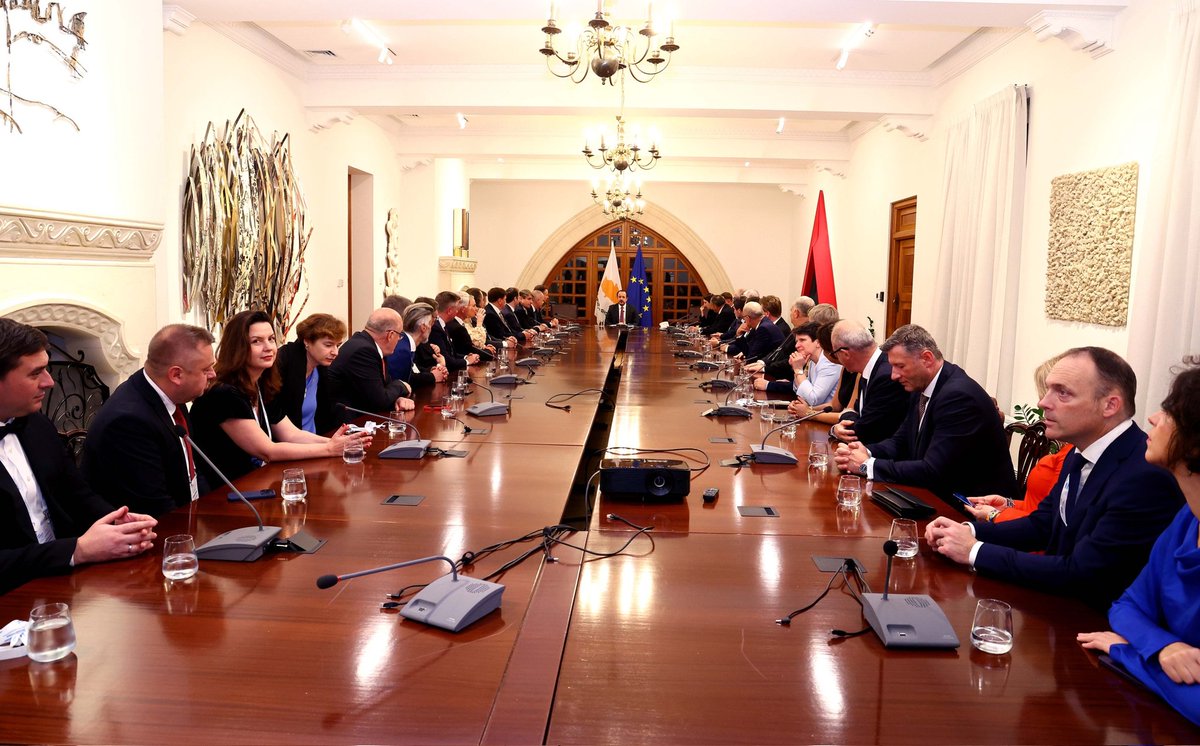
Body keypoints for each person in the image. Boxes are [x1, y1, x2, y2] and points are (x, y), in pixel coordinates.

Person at [925, 347, 1184, 608]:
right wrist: (967, 530)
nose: (1043, 403)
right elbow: (1042, 524)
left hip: (1095, 621)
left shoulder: (1144, 474)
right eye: (1048, 390)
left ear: (1110, 405)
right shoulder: (1080, 451)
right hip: (1058, 606)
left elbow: (1083, 573)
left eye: (1063, 392)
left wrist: (974, 550)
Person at [1078, 357, 1200, 725]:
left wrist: (1128, 650)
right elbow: (1127, 606)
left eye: (1169, 412)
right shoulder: (1186, 521)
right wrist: (1163, 646)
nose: (1153, 419)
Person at [0, 319, 158, 594]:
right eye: (35, 373)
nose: (49, 382)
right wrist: (78, 550)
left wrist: (119, 521)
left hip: (64, 584)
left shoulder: (36, 424)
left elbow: (76, 494)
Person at [834, 324, 1015, 499]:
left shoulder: (958, 397)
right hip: (935, 495)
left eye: (900, 366)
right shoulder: (922, 385)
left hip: (970, 508)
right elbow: (901, 441)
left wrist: (867, 465)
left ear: (927, 359)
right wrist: (863, 451)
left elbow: (933, 470)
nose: (893, 375)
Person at [190, 310, 371, 484]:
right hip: (222, 493)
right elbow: (268, 451)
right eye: (256, 341)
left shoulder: (261, 384)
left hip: (253, 482)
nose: (268, 347)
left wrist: (343, 443)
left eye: (271, 339)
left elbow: (291, 434)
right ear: (238, 347)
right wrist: (330, 448)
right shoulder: (224, 393)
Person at [83, 324, 216, 516]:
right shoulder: (128, 422)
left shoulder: (171, 395)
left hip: (189, 515)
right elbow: (154, 507)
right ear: (176, 375)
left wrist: (211, 514)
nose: (213, 375)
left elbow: (193, 470)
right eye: (206, 369)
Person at [964, 354, 1073, 523]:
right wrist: (1007, 504)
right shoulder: (1070, 449)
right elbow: (1038, 508)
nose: (1041, 403)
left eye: (1059, 394)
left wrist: (993, 515)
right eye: (1044, 393)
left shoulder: (1075, 458)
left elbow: (1046, 525)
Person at [827, 319, 909, 445]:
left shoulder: (886, 375)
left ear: (845, 354)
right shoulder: (869, 368)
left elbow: (863, 431)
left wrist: (835, 429)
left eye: (835, 354)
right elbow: (853, 411)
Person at [327, 307, 417, 417]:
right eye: (399, 335)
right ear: (390, 335)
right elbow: (380, 401)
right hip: (342, 425)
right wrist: (403, 385)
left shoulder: (370, 346)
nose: (399, 339)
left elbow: (384, 388)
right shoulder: (363, 351)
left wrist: (398, 399)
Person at [272, 313, 346, 435]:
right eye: (328, 345)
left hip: (316, 443)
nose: (335, 352)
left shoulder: (321, 368)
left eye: (338, 345)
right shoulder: (284, 361)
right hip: (290, 447)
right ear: (307, 341)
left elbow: (325, 416)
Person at [755, 322, 841, 407]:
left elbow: (813, 400)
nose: (796, 345)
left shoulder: (829, 363)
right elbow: (798, 391)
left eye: (802, 340)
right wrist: (796, 371)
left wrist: (798, 370)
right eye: (797, 341)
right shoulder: (811, 359)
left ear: (818, 343)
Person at [386, 302, 448, 389]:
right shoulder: (402, 349)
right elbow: (402, 381)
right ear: (423, 327)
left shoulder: (406, 342)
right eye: (430, 324)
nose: (431, 328)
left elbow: (412, 370)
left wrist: (432, 371)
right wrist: (432, 377)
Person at [428, 291, 480, 371]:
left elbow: (452, 354)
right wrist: (467, 361)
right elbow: (447, 360)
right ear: (449, 311)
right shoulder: (436, 328)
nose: (457, 311)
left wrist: (465, 357)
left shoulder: (443, 325)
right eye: (456, 309)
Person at [454, 288, 495, 361]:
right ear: (463, 308)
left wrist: (483, 347)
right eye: (473, 306)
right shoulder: (456, 326)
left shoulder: (468, 320)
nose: (476, 308)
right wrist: (487, 352)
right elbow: (474, 343)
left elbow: (477, 344)